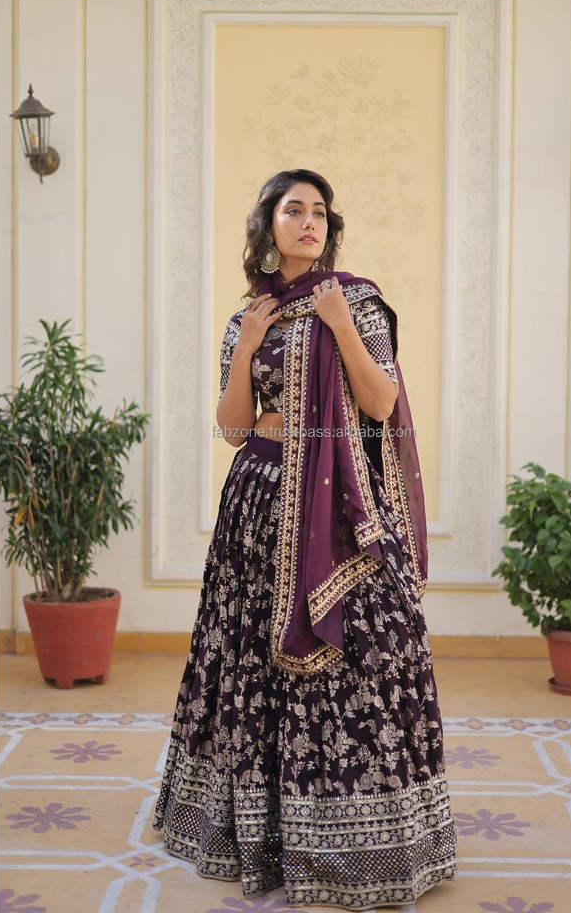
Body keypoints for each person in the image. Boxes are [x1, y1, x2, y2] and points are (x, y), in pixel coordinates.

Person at [152, 169, 457, 910]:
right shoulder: (250, 317)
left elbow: (380, 402)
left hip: (343, 504)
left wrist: (340, 325)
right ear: (269, 225)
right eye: (294, 210)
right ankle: (258, 833)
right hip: (260, 495)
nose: (310, 221)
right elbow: (231, 428)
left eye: (320, 211)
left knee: (370, 648)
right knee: (250, 655)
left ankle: (366, 841)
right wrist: (244, 351)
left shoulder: (356, 301)